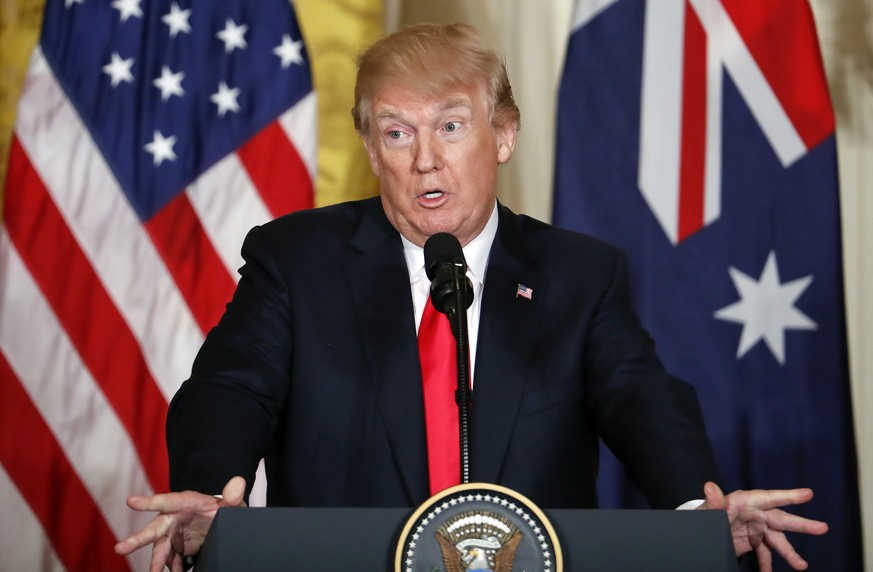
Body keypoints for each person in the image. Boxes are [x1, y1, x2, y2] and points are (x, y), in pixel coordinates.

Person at [114, 23, 827, 572]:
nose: (424, 158)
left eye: (450, 126)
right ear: (370, 150)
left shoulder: (578, 274)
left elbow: (638, 397)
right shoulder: (296, 260)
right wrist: (212, 493)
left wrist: (694, 510)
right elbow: (229, 389)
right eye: (396, 133)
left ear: (503, 135)